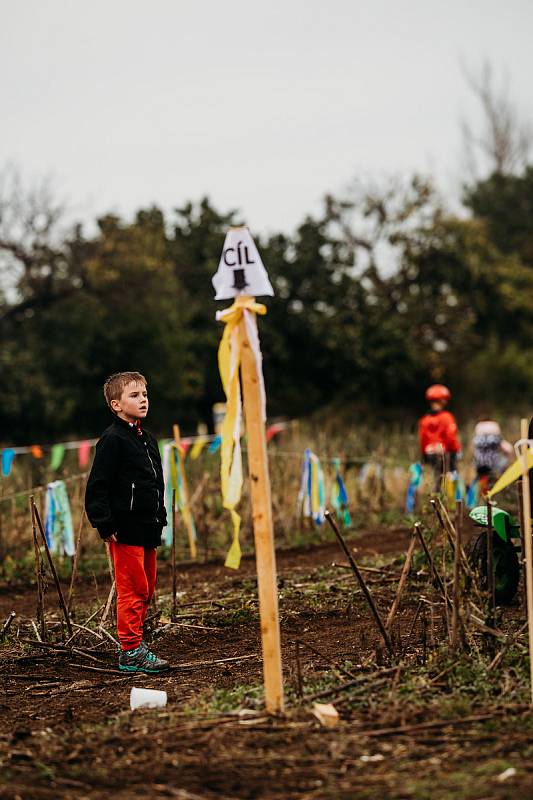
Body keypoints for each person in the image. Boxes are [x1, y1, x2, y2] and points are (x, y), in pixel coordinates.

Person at [85, 371, 169, 674]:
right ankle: (130, 650)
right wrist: (104, 523)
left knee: (146, 588)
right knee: (132, 589)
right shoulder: (112, 440)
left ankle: (136, 642)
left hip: (149, 526)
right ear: (116, 405)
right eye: (134, 395)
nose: (143, 399)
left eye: (145, 394)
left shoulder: (147, 439)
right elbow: (98, 485)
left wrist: (160, 516)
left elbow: (154, 482)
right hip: (125, 529)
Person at [418, 384, 461, 492]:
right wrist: (456, 450)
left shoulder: (424, 419)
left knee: (436, 478)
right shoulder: (447, 417)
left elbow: (422, 439)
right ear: (442, 400)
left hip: (430, 453)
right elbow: (451, 437)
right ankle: (450, 504)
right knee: (450, 478)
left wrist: (423, 455)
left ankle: (434, 499)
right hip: (445, 454)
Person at [472, 417, 513, 493]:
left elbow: (474, 450)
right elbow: (508, 449)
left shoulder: (477, 438)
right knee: (503, 461)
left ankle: (482, 492)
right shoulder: (495, 437)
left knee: (482, 483)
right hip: (494, 465)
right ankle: (502, 487)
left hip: (479, 465)